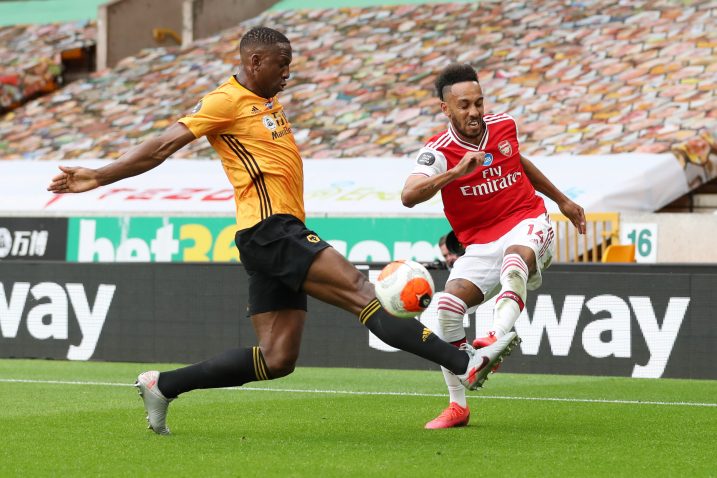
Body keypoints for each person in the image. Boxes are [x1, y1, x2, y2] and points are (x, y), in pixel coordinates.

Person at [47, 28, 518, 435]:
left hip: (268, 238)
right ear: (254, 61)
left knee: (277, 359)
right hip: (272, 232)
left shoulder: (266, 101)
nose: (287, 72)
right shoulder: (225, 100)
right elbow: (162, 146)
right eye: (281, 63)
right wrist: (98, 176)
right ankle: (466, 363)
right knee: (362, 291)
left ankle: (162, 385)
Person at [402, 63, 586, 429]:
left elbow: (517, 161)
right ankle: (458, 406)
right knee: (447, 308)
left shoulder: (505, 126)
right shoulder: (437, 152)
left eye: (478, 102)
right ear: (446, 109)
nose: (474, 112)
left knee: (514, 262)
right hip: (481, 243)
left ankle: (495, 339)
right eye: (464, 105)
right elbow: (408, 196)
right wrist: (456, 172)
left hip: (527, 221)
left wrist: (562, 200)